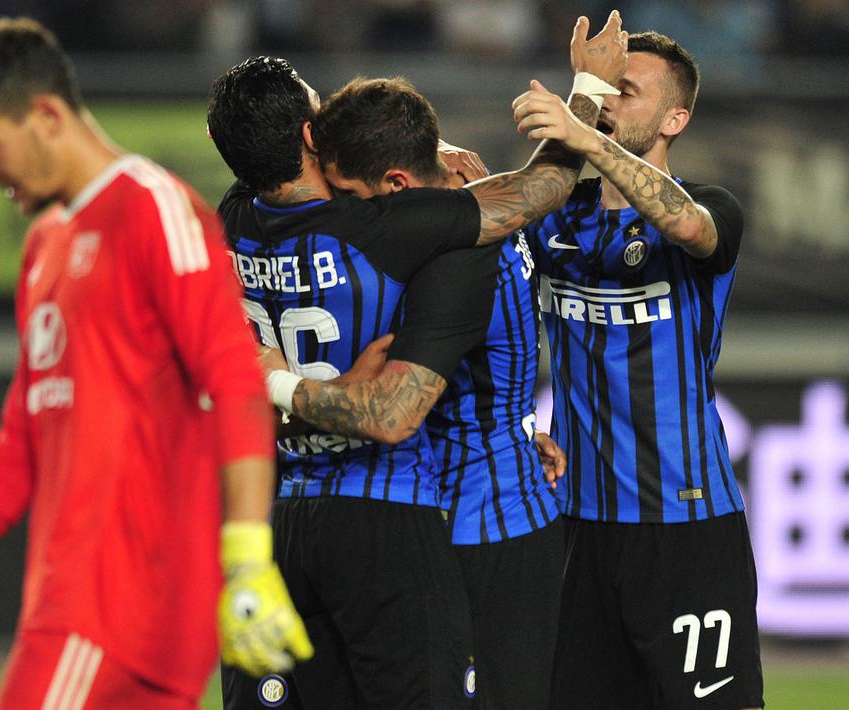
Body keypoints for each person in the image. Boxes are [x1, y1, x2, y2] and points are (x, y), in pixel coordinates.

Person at [0, 17, 310, 709]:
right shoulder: (45, 246)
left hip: (109, 611)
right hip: (96, 612)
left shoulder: (153, 211)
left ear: (46, 117)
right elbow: (24, 434)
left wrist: (248, 562)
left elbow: (235, 385)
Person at [206, 14, 626, 708]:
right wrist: (587, 91)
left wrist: (272, 382)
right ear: (310, 138)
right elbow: (543, 188)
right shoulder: (400, 227)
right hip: (404, 511)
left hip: (289, 512)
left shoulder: (231, 218)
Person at [279, 75, 568, 710]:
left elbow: (395, 410)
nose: (344, 212)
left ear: (396, 185)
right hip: (505, 499)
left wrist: (275, 383)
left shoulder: (450, 252)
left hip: (478, 529)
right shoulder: (473, 209)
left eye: (350, 196)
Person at [514, 30, 764, 709]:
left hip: (686, 522)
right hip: (576, 521)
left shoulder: (712, 206)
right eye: (604, 89)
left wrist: (586, 138)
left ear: (674, 119)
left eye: (626, 91)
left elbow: (691, 229)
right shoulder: (555, 220)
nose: (607, 103)